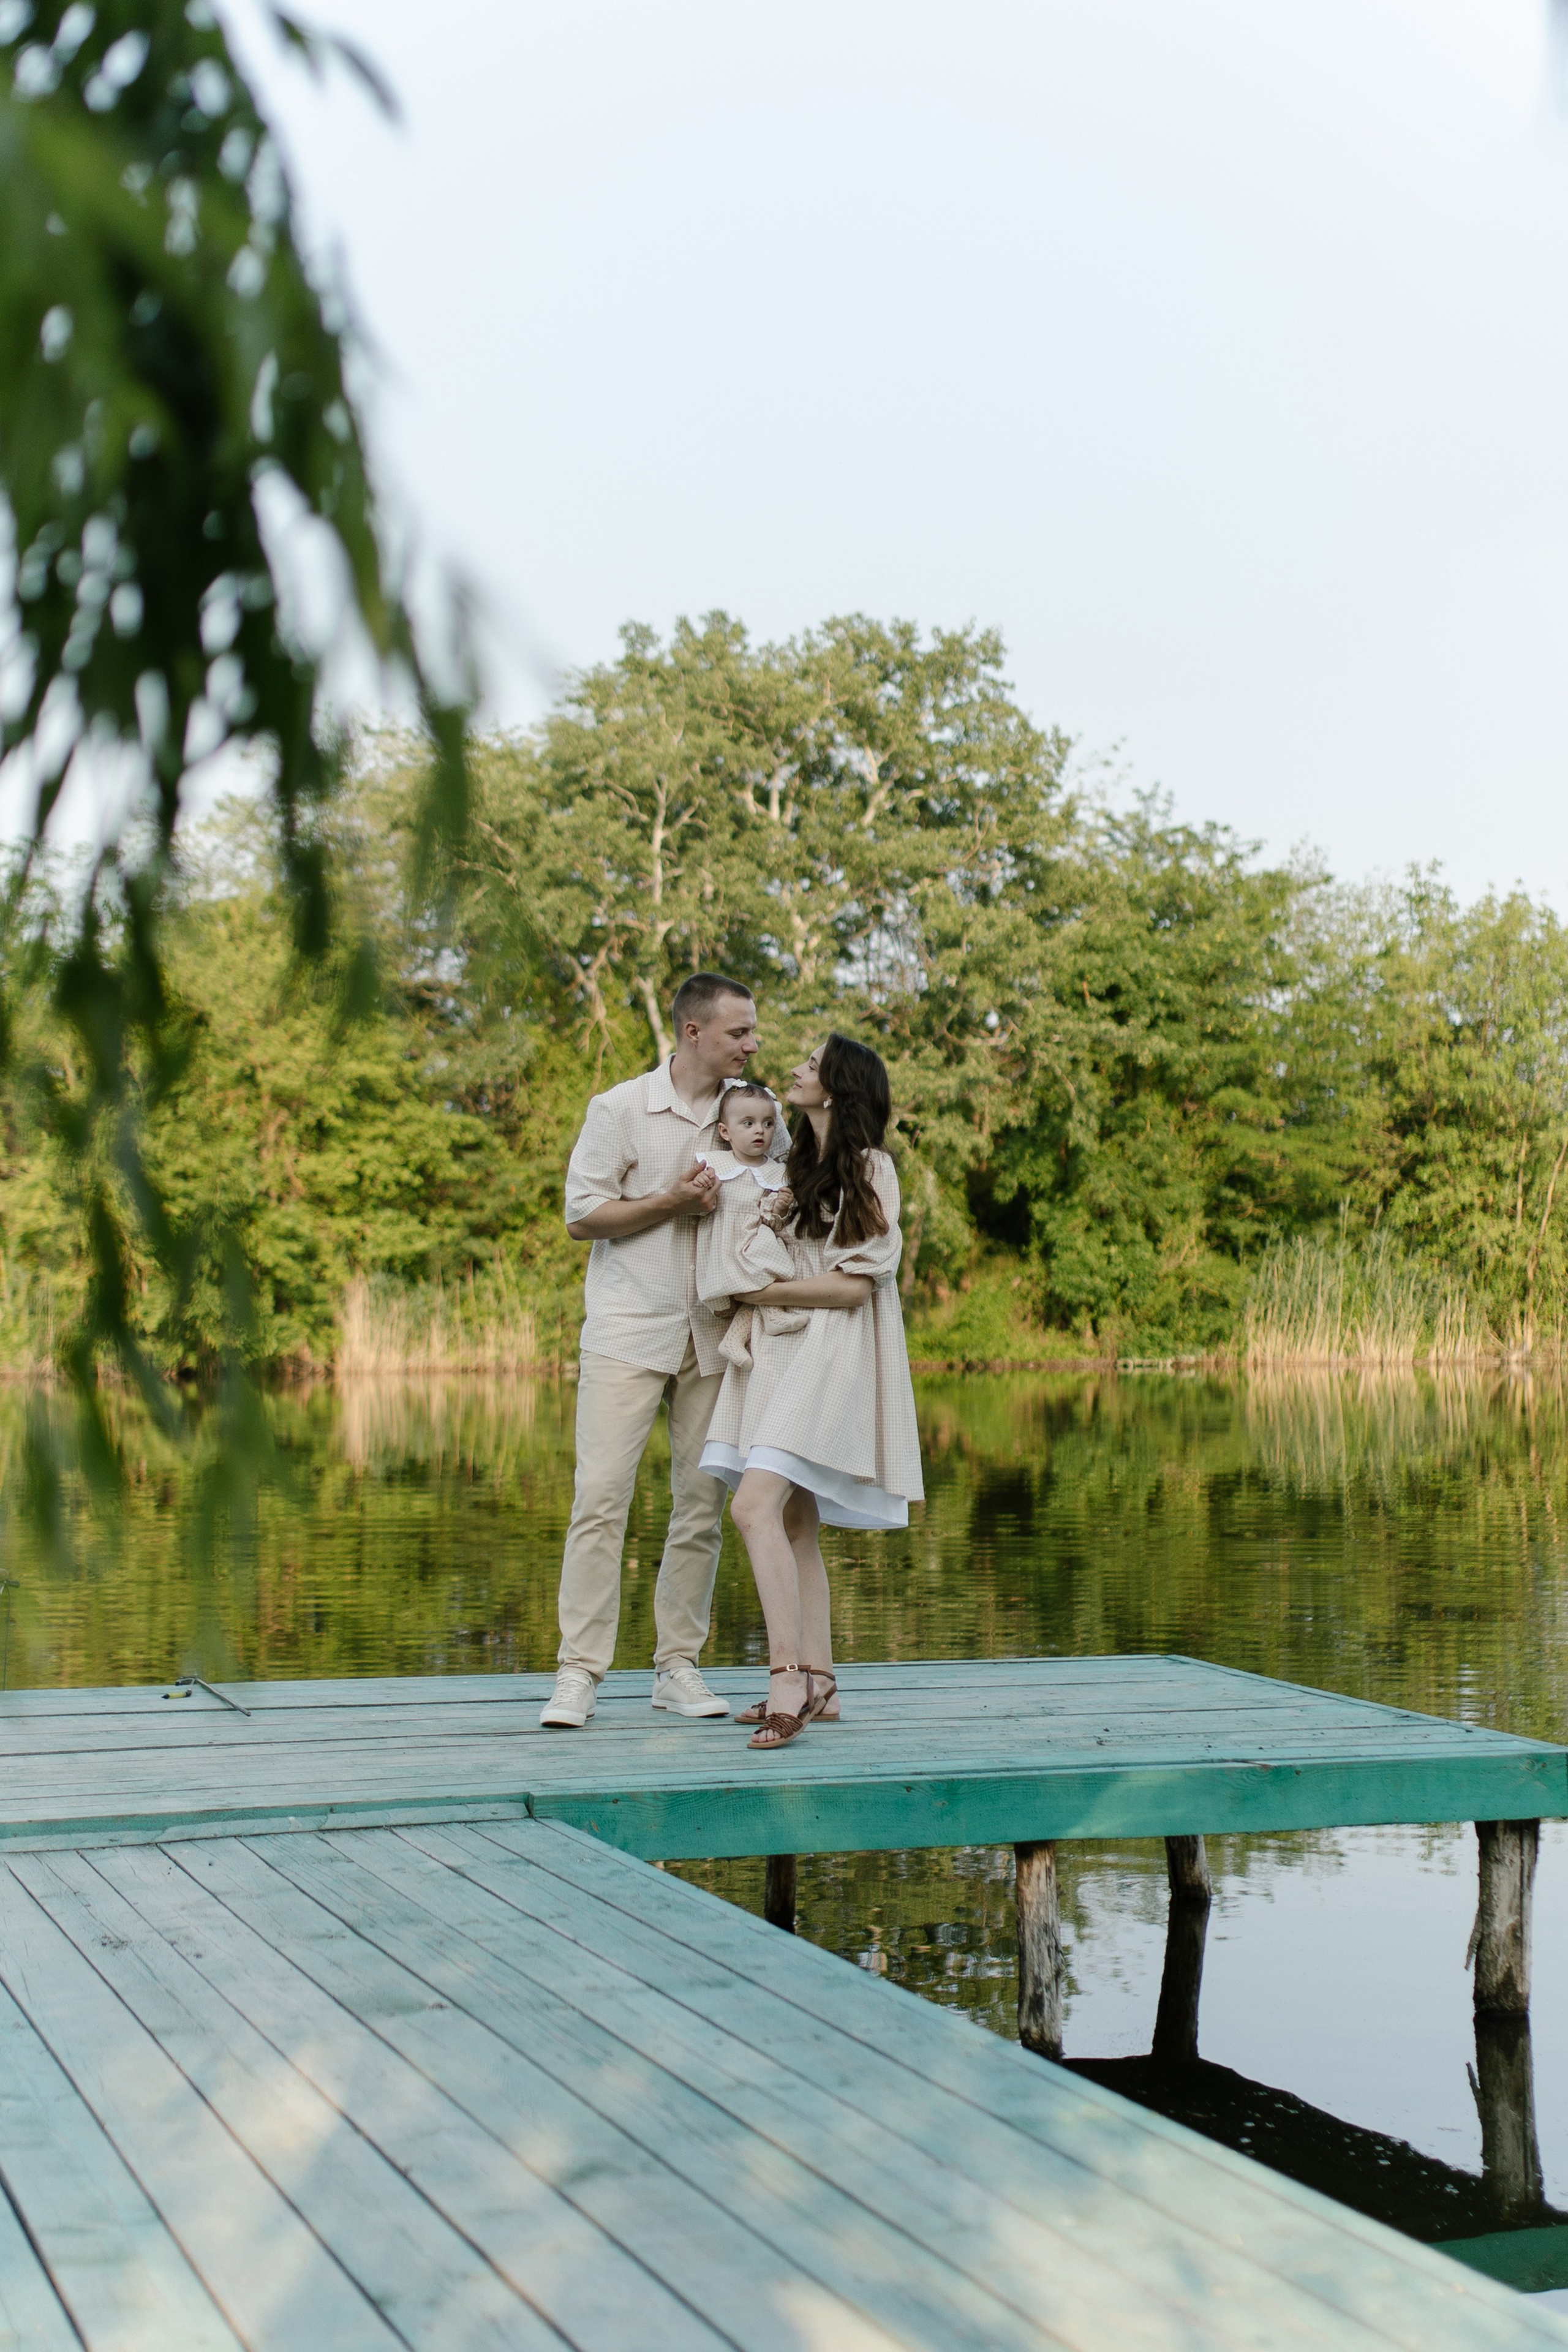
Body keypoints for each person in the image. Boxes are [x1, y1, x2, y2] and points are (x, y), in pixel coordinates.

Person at [540, 973, 759, 1730]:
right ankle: (578, 1675)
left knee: (700, 1506)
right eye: (738, 1033)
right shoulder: (620, 1109)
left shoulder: (753, 1115)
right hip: (628, 1332)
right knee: (600, 1501)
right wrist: (669, 1201)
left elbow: (778, 1203)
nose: (752, 1045)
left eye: (752, 1033)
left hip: (715, 1338)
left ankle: (677, 1668)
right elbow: (581, 1217)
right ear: (693, 1032)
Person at [698, 1033, 924, 1751]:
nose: (793, 1070)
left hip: (832, 1352)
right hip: (782, 1352)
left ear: (836, 1088)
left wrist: (765, 1293)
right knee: (793, 1521)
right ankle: (820, 1680)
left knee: (751, 1507)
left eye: (809, 1064)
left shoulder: (870, 1168)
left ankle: (784, 1677)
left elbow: (857, 1285)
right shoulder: (795, 1166)